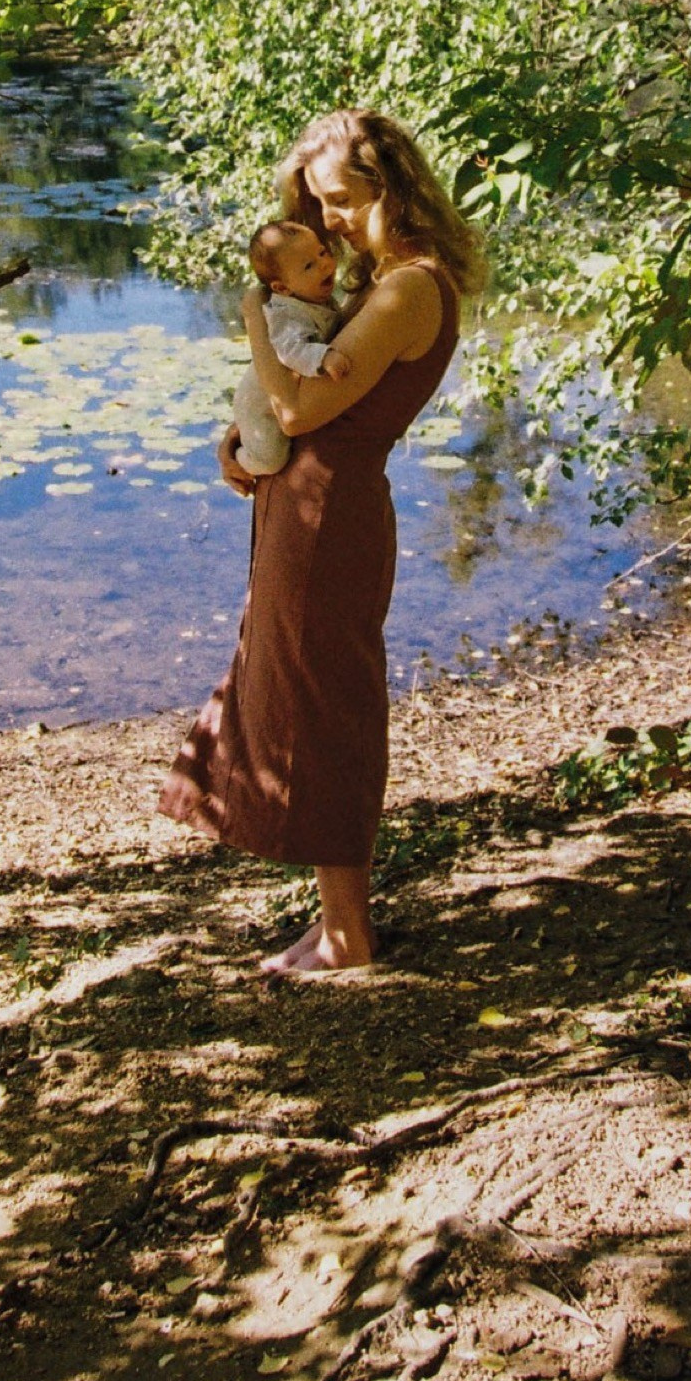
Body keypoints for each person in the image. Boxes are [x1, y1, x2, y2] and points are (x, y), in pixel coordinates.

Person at [158, 108, 485, 973]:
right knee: (299, 687)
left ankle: (349, 933)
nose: (328, 221)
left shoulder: (409, 290)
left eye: (340, 200)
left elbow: (305, 408)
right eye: (316, 203)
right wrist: (242, 440)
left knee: (327, 703)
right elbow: (289, 410)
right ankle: (334, 919)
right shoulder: (374, 286)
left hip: (331, 514)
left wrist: (257, 330)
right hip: (304, 502)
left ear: (394, 187)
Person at [230, 219, 351, 477]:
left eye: (321, 252)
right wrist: (324, 357)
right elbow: (290, 350)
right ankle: (241, 458)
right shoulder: (285, 313)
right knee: (271, 460)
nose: (325, 264)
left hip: (273, 396)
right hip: (258, 406)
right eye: (309, 266)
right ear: (282, 288)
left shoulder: (315, 297)